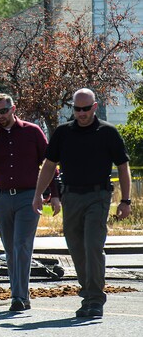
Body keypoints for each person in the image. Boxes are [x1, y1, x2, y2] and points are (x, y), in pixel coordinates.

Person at [32, 88, 131, 319]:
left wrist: (126, 201)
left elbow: (123, 167)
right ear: (73, 109)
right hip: (71, 197)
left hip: (98, 196)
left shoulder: (108, 132)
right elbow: (48, 165)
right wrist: (38, 194)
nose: (82, 113)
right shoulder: (63, 133)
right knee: (76, 248)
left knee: (93, 245)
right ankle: (88, 294)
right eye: (78, 109)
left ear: (95, 107)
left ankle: (95, 299)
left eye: (86, 108)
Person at [0, 93, 61, 312]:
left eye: (4, 111)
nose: (0, 116)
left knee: (22, 246)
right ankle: (21, 294)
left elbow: (51, 164)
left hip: (29, 197)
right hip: (1, 198)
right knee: (10, 249)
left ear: (13, 109)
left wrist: (55, 194)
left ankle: (18, 297)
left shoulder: (32, 131)